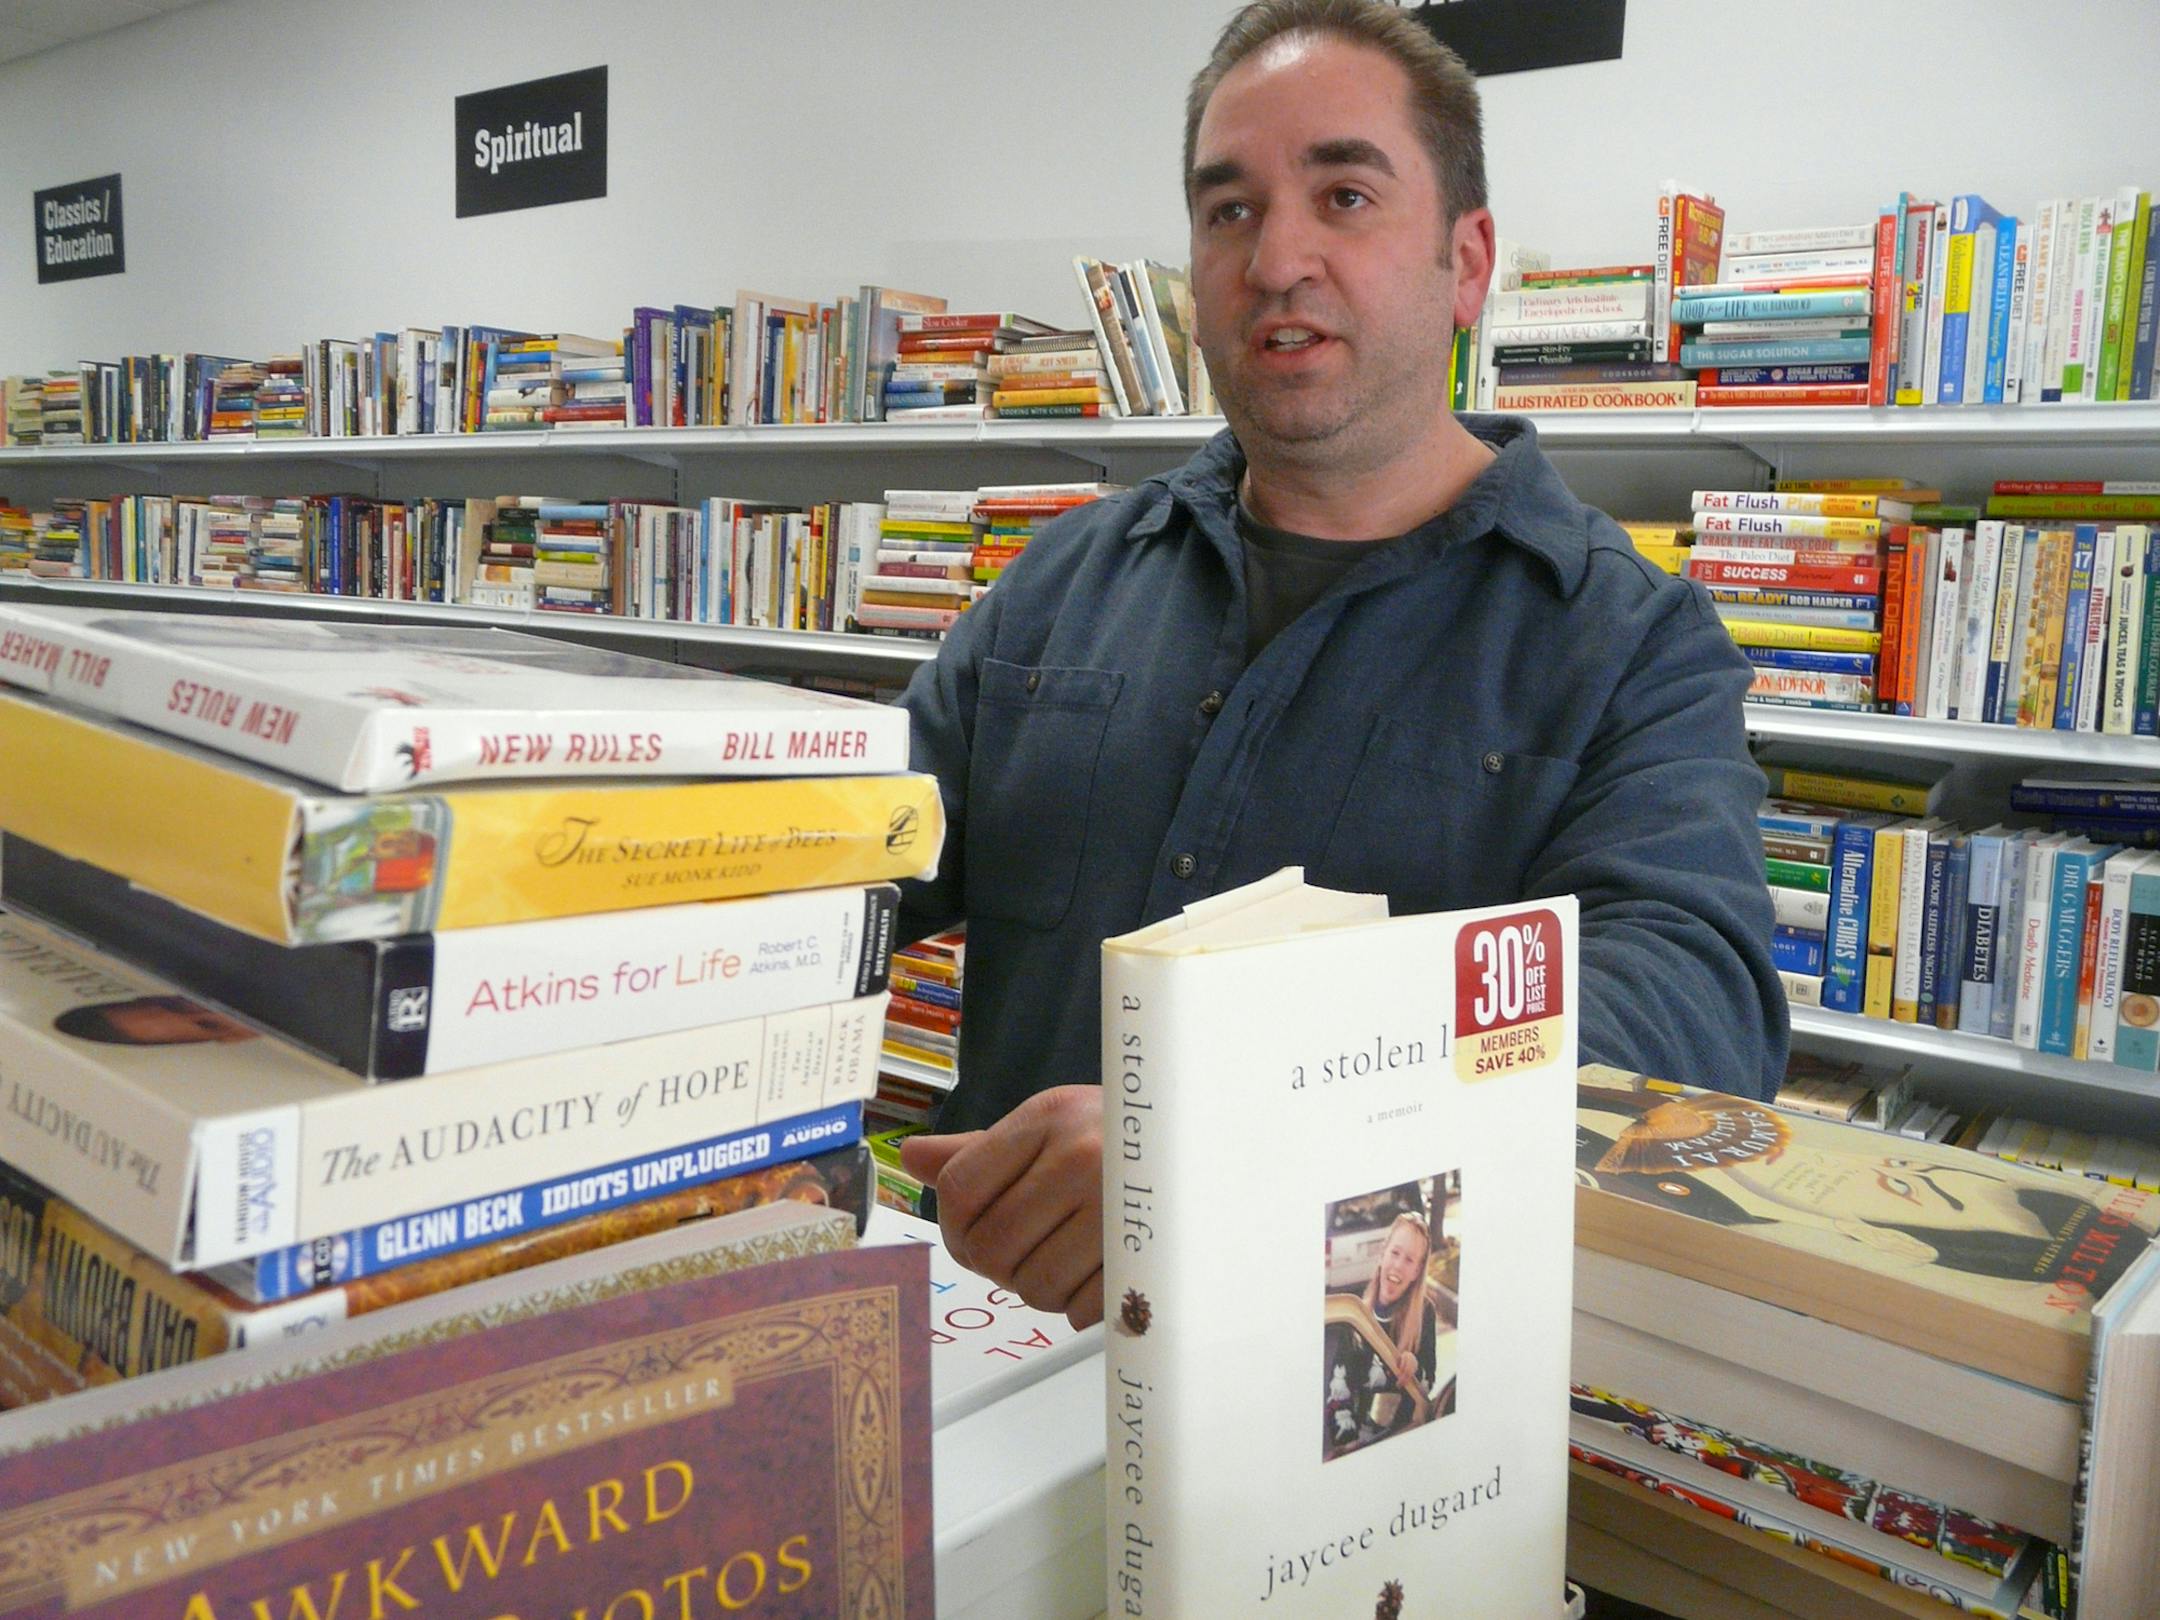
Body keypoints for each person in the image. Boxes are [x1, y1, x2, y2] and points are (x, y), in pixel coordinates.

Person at [897, 0, 1785, 1328]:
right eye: (1230, 211)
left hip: (1346, 1396)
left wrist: (1235, 1124)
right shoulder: (1056, 587)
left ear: (1465, 260)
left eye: (1346, 195)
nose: (1278, 259)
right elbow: (854, 867)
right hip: (990, 1354)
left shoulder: (1626, 642)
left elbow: (1686, 1016)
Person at [1323, 1209, 1452, 1459]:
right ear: (1382, 1254)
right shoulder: (1356, 1313)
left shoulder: (1425, 1313)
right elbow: (1337, 1387)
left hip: (1402, 1439)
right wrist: (1347, 1443)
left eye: (1410, 1260)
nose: (1398, 1266)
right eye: (1395, 1253)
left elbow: (1428, 1386)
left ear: (1417, 1272)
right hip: (1358, 1445)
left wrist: (1416, 1369)